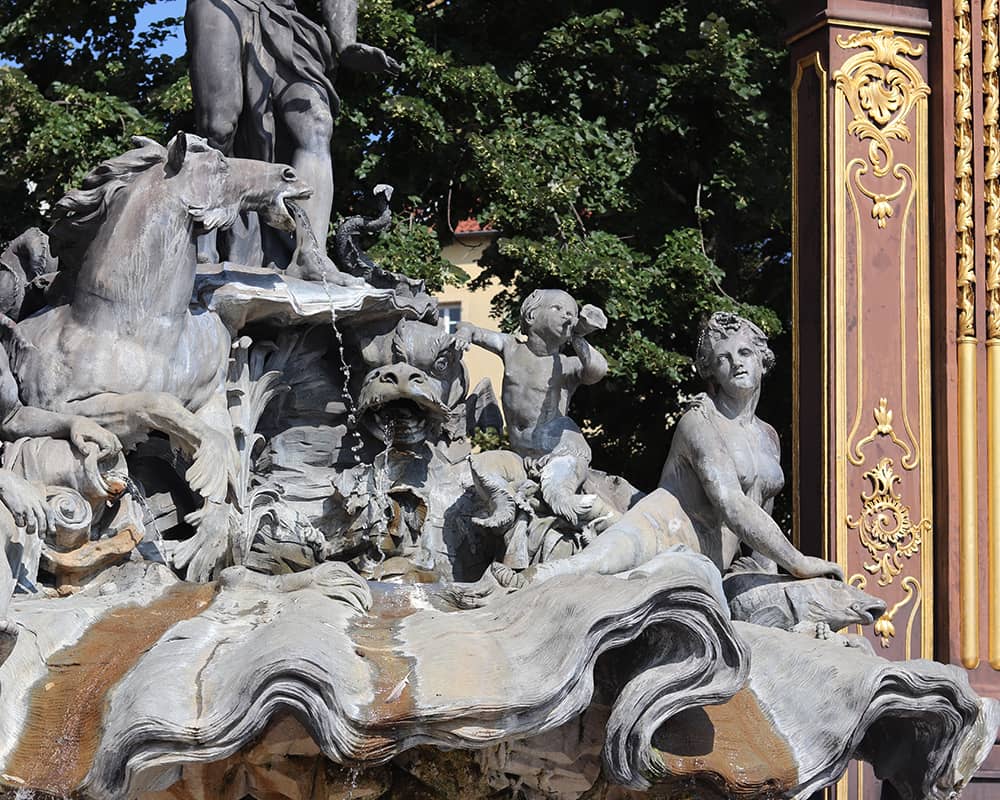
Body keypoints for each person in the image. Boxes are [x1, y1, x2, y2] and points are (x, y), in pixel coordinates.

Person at [491, 312, 842, 588]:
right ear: (712, 372)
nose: (737, 362)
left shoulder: (768, 436)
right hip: (662, 530)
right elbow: (731, 502)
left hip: (708, 564)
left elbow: (760, 514)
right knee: (585, 567)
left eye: (746, 352)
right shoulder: (700, 420)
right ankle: (521, 584)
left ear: (762, 360)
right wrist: (797, 561)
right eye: (724, 358)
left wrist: (769, 577)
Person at [186, 0, 400, 270]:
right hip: (225, 6)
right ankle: (203, 249)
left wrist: (346, 43)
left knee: (317, 123)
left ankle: (310, 256)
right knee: (218, 126)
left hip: (284, 19)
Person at [454, 289, 609, 525]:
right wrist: (464, 333)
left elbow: (598, 370)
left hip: (560, 451)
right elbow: (470, 328)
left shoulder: (566, 365)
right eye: (558, 309)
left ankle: (599, 518)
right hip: (521, 453)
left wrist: (578, 336)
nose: (566, 316)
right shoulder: (510, 347)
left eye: (571, 313)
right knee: (480, 468)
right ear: (531, 315)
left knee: (556, 493)